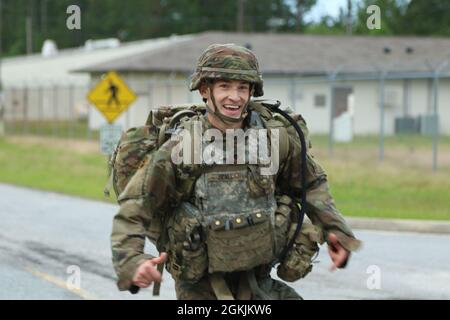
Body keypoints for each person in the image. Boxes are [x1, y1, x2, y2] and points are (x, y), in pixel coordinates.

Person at [110, 43, 361, 300]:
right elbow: (135, 206)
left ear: (253, 90)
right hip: (200, 285)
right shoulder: (184, 146)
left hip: (258, 280)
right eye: (225, 86)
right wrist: (132, 260)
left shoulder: (274, 138)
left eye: (243, 87)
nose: (235, 97)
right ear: (205, 90)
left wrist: (336, 231)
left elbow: (311, 183)